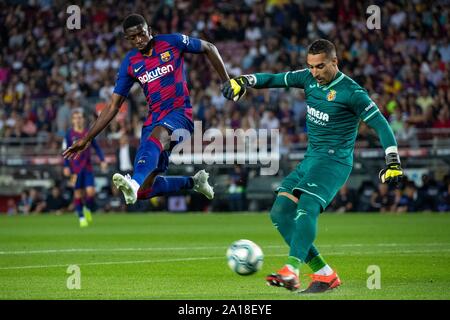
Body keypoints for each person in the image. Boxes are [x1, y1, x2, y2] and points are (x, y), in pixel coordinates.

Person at [222, 39, 404, 293]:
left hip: (334, 161)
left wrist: (392, 160)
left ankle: (292, 270)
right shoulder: (308, 78)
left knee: (307, 205)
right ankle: (324, 274)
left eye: (320, 67)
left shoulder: (352, 92)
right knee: (280, 213)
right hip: (311, 158)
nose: (315, 72)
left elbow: (381, 125)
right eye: (311, 66)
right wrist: (244, 80)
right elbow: (273, 79)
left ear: (334, 62)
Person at [63, 14, 231, 204]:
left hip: (180, 114)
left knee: (153, 144)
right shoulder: (130, 63)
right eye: (133, 38)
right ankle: (194, 182)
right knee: (145, 191)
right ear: (127, 39)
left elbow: (209, 47)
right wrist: (87, 138)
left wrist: (226, 81)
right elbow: (113, 106)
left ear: (149, 30)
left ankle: (132, 184)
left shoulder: (172, 42)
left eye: (142, 34)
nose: (139, 40)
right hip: (154, 119)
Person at [63, 109, 108, 227]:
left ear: (83, 119)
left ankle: (87, 209)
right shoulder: (69, 134)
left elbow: (97, 148)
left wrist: (102, 160)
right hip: (75, 169)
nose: (78, 119)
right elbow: (65, 151)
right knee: (78, 194)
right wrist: (66, 166)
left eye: (79, 117)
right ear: (72, 120)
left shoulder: (88, 133)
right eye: (75, 117)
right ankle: (81, 217)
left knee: (91, 192)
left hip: (87, 167)